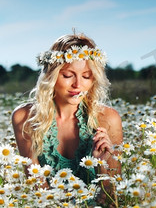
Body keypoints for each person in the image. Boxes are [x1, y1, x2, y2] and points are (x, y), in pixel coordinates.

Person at [12, 32, 123, 206]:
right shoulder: (25, 118)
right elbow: (37, 190)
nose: (78, 85)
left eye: (86, 76)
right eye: (68, 75)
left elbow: (113, 199)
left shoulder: (108, 119)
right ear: (51, 76)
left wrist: (101, 164)